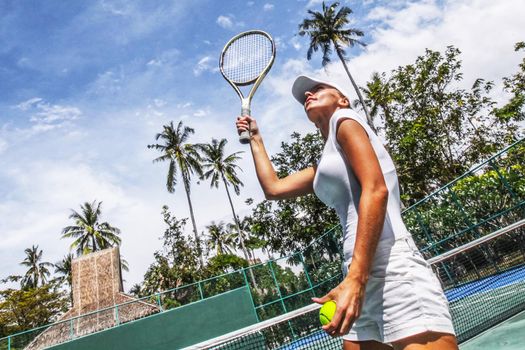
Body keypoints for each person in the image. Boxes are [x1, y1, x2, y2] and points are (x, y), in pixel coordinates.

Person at [236, 75, 459, 350]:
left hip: (391, 268)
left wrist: (356, 278)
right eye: (305, 94)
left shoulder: (345, 120)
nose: (308, 94)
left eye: (317, 88)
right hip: (357, 271)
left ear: (342, 99)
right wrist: (256, 139)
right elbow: (274, 188)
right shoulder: (328, 161)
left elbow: (376, 190)